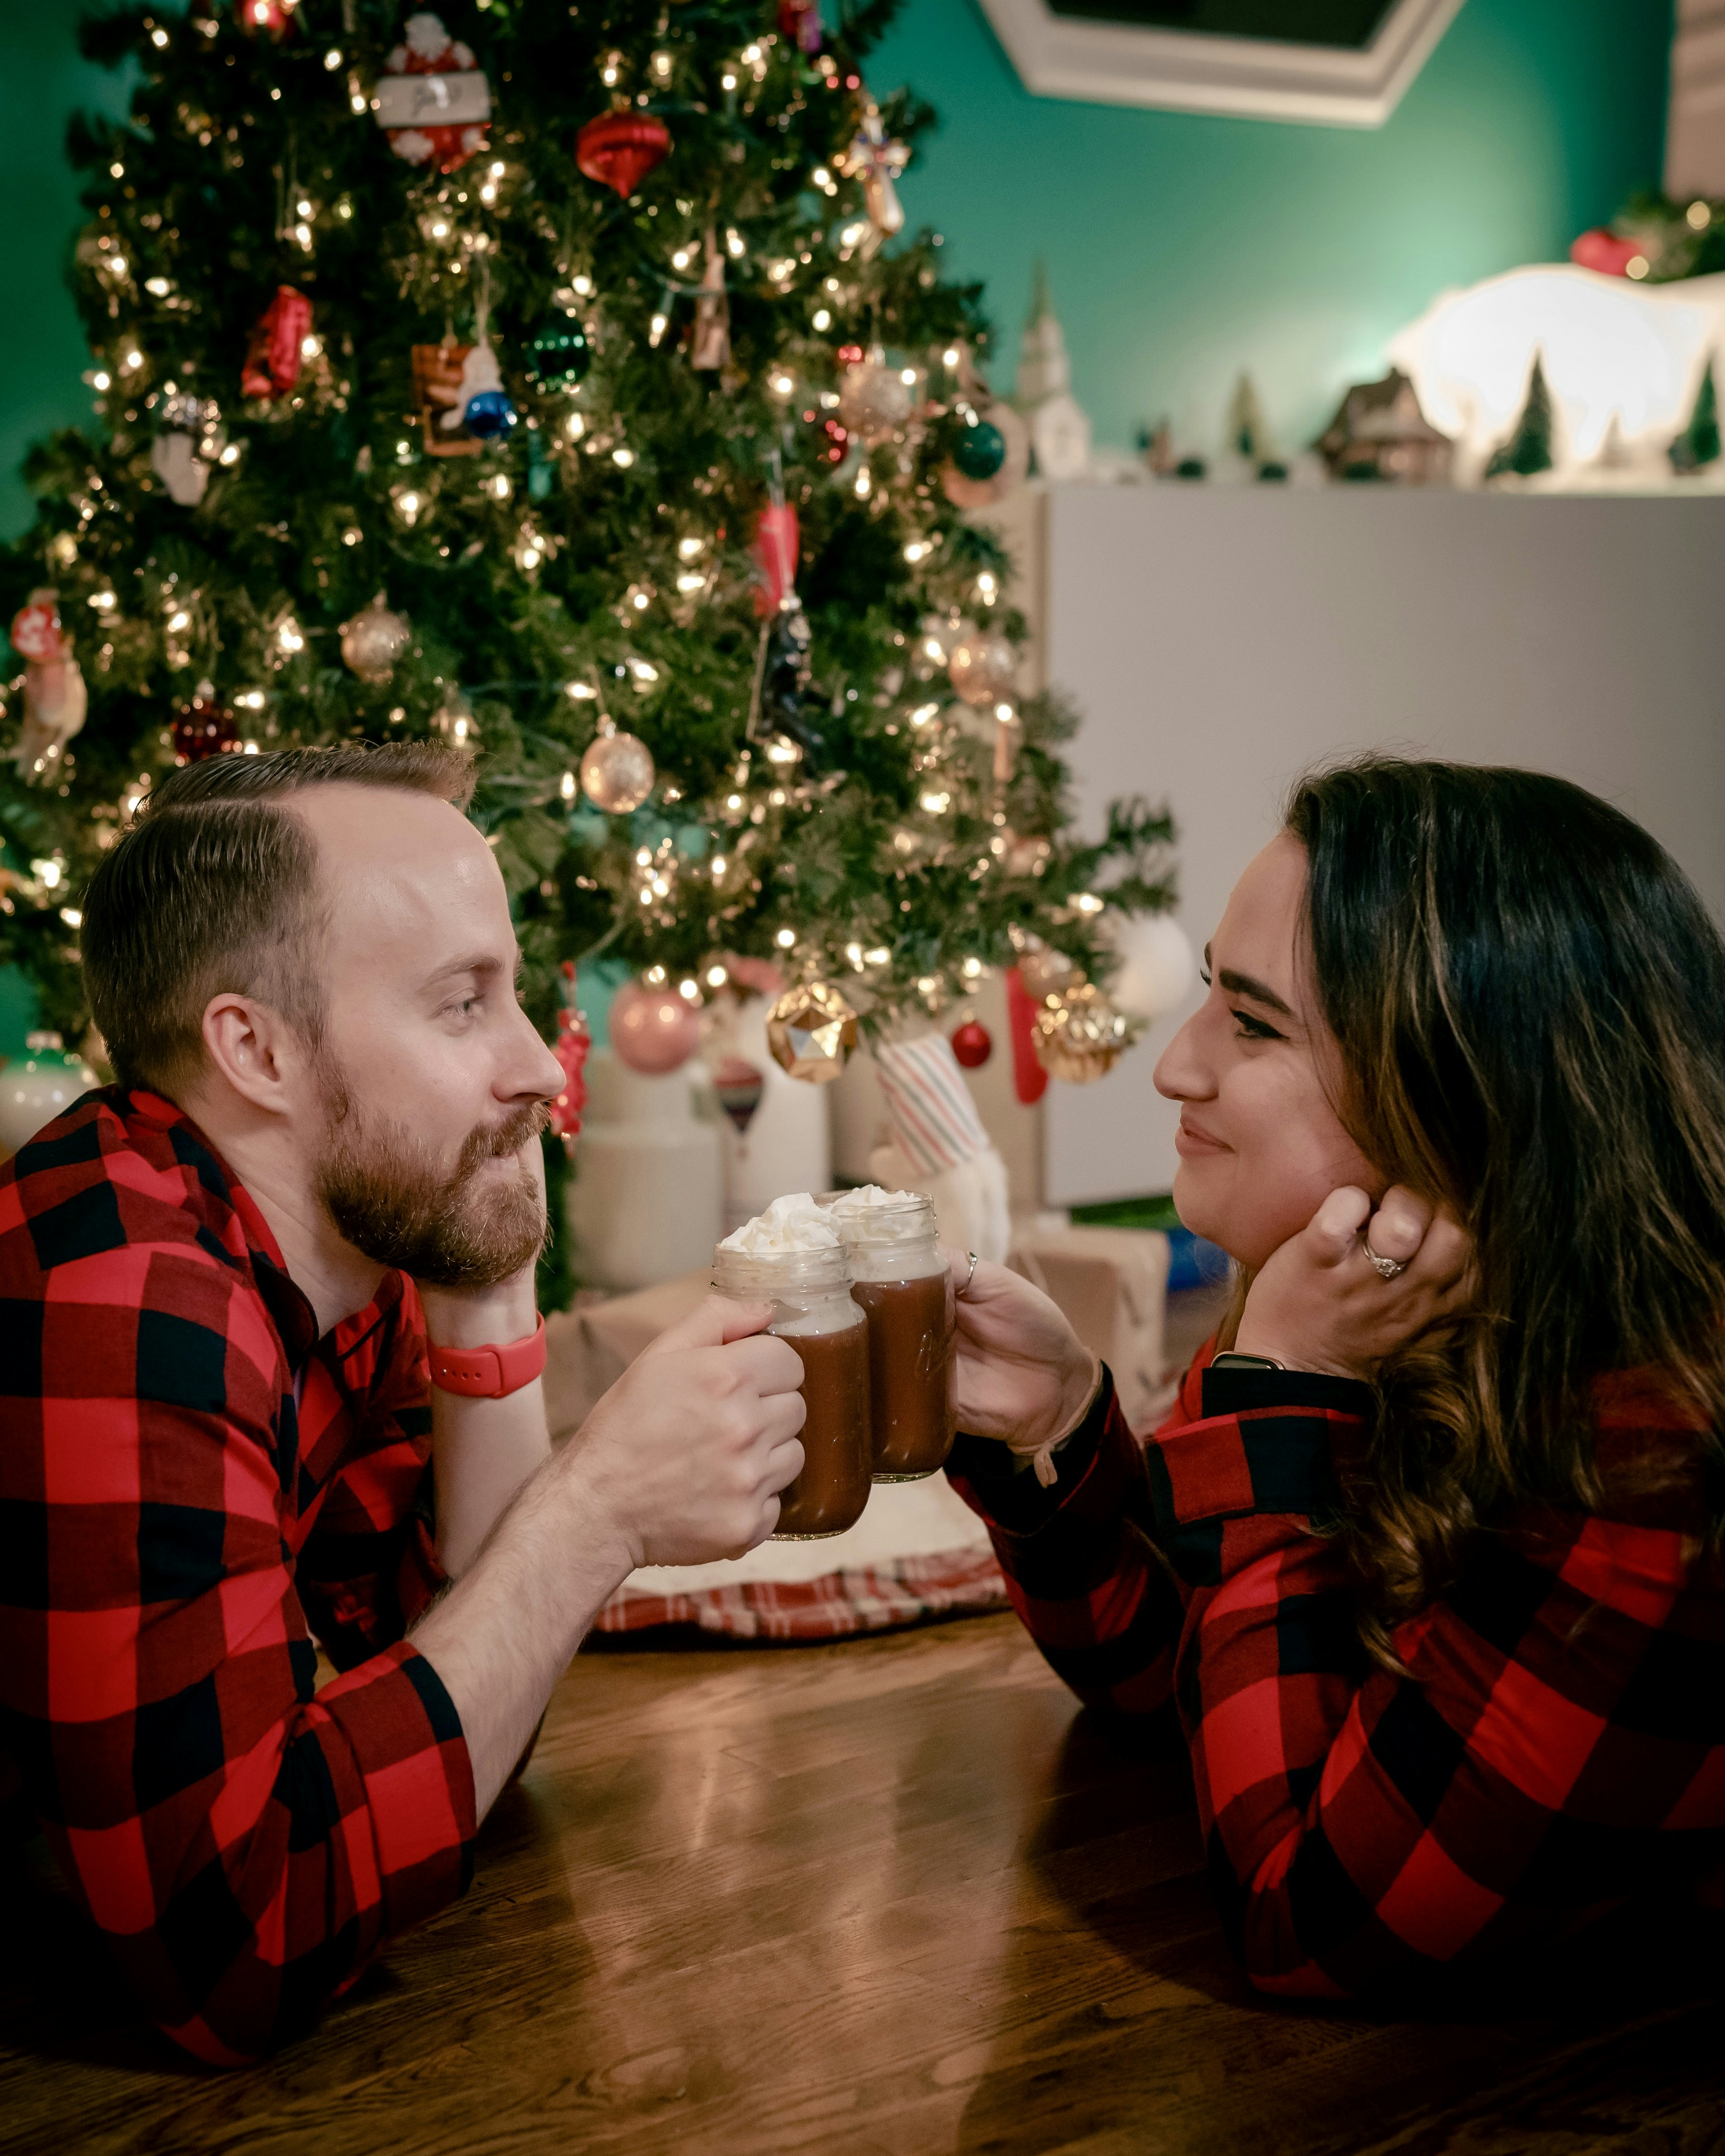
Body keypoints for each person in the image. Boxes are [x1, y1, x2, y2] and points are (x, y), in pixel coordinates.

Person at [0, 742, 806, 2063]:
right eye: (460, 1005)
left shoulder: (340, 1253)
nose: (542, 1069)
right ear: (253, 1047)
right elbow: (237, 1954)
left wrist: (490, 1305)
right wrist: (595, 1511)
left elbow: (448, 1707)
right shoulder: (129, 1296)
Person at [944, 757, 1725, 1997]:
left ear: (1466, 1094)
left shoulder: (1646, 1456)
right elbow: (1184, 1690)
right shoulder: (1354, 1288)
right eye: (1209, 996)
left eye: (1252, 1025)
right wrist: (1059, 1433)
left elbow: (1308, 1919)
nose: (1174, 1068)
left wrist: (1286, 1386)